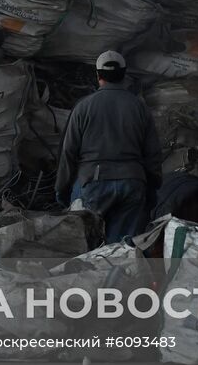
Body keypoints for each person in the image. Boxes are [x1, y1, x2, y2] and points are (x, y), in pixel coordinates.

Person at [54, 51, 161, 244]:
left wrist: (61, 190)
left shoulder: (83, 107)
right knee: (122, 249)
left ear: (98, 75)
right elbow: (153, 154)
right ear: (123, 74)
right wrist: (152, 189)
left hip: (94, 182)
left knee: (87, 247)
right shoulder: (139, 107)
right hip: (133, 182)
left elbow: (68, 152)